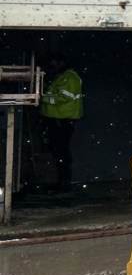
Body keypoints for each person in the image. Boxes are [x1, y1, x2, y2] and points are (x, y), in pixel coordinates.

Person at [39, 55, 83, 194]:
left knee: (61, 151)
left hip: (63, 119)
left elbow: (63, 97)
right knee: (59, 151)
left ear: (61, 62)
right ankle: (62, 183)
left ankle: (64, 184)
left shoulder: (69, 77)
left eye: (54, 63)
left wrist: (43, 98)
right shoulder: (63, 76)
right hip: (59, 119)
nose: (52, 66)